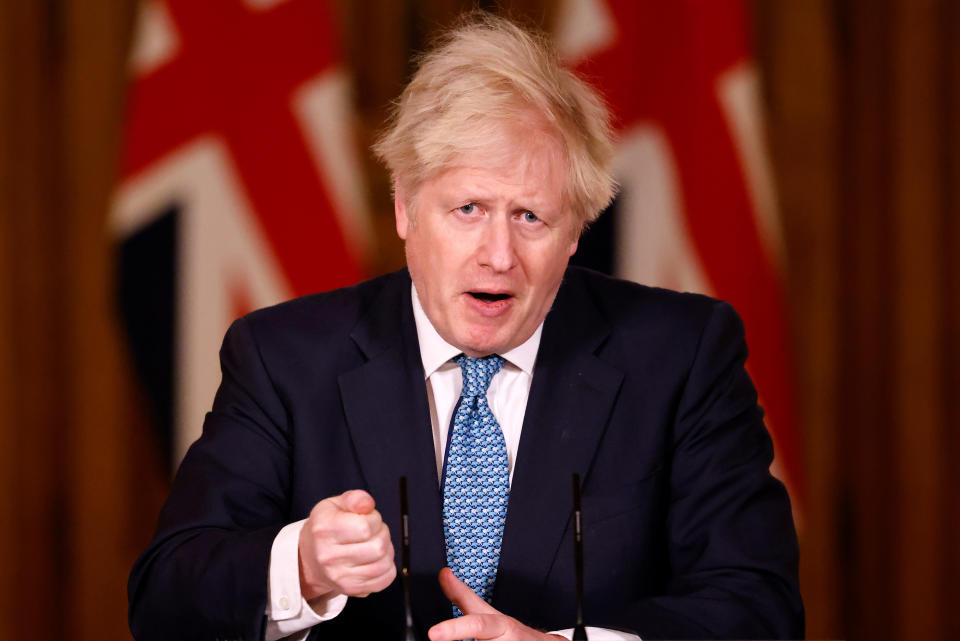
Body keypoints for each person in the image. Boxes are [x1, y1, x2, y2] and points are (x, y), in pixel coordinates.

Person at [128, 13, 803, 641]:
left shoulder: (682, 355)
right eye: (470, 208)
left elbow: (759, 606)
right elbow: (164, 598)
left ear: (575, 231)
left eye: (531, 216)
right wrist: (301, 564)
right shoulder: (284, 359)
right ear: (405, 208)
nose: (499, 254)